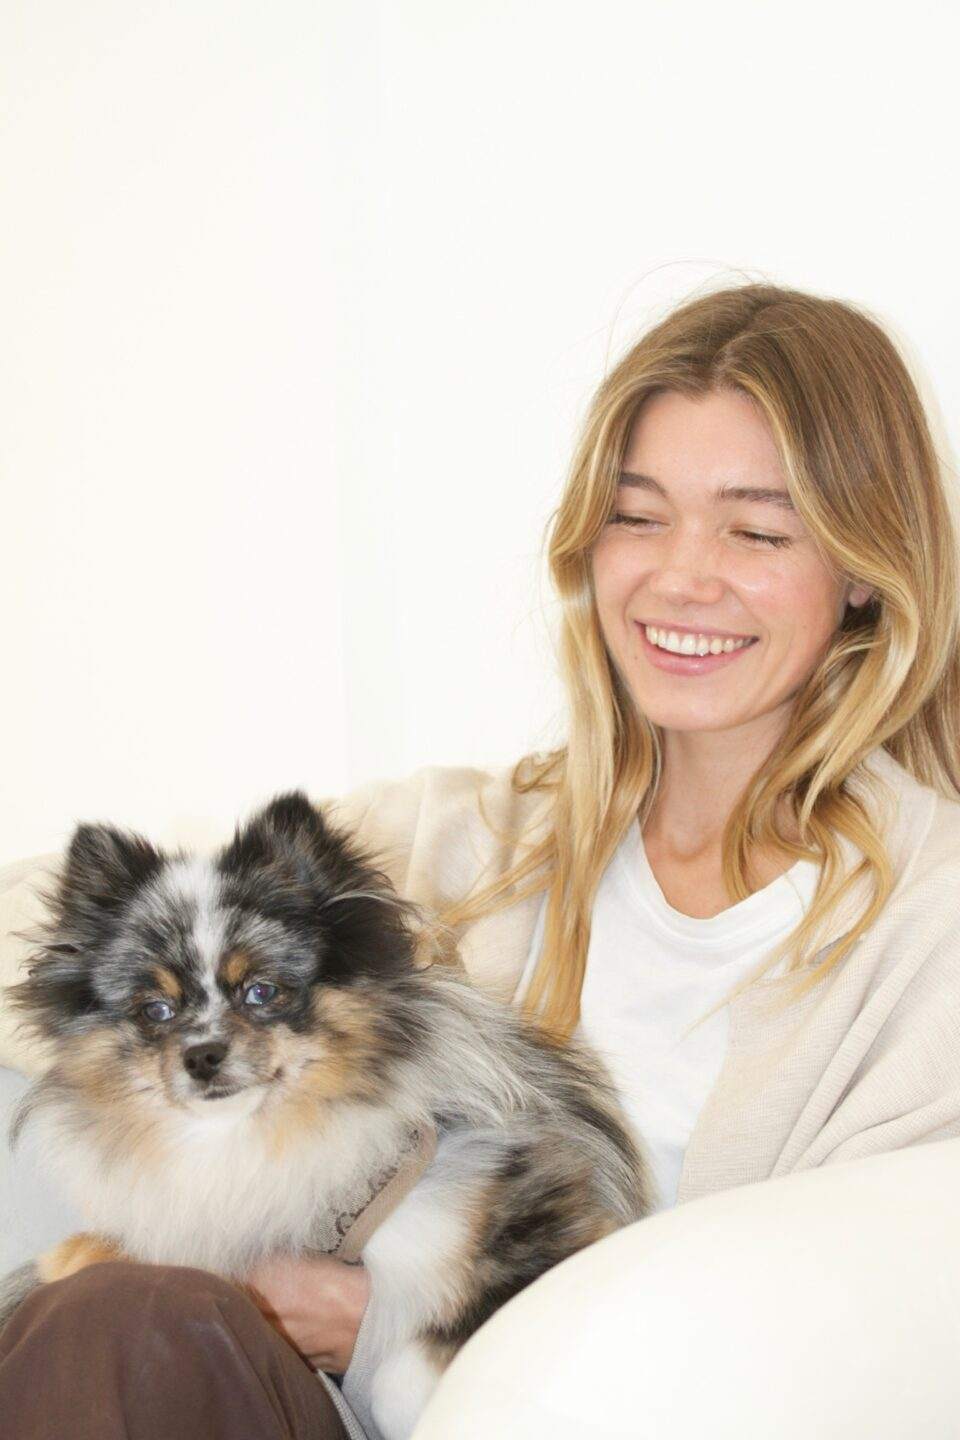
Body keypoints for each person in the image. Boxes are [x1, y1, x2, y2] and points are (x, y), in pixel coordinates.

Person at [3, 279, 960, 1439]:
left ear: (865, 568)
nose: (681, 577)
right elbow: (78, 940)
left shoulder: (929, 935)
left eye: (756, 531)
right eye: (638, 515)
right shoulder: (467, 844)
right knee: (111, 1317)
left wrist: (396, 1323)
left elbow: (854, 1328)